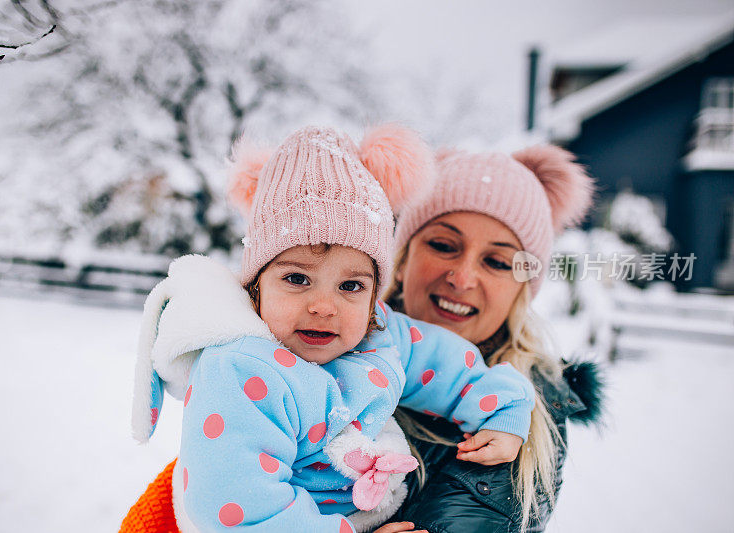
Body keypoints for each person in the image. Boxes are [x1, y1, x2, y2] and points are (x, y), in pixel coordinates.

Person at [125, 126, 538, 533]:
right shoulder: (240, 370)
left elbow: (446, 364)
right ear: (256, 286)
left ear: (375, 293)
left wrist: (503, 409)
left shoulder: (377, 334)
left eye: (350, 286)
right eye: (297, 279)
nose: (324, 307)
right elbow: (238, 506)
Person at [382, 146, 604, 532]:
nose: (463, 278)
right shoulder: (319, 349)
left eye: (498, 262)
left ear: (522, 289)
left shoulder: (525, 413)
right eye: (443, 245)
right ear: (402, 260)